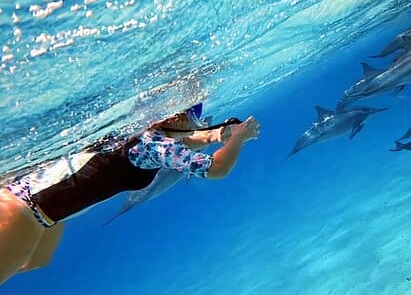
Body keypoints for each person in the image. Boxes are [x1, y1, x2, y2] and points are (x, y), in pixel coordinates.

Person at [0, 104, 260, 285]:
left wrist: (220, 134)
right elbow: (216, 168)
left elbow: (189, 139)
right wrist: (238, 139)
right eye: (195, 119)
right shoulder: (153, 144)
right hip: (29, 209)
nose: (198, 126)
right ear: (178, 119)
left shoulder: (143, 134)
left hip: (38, 207)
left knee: (38, 261)